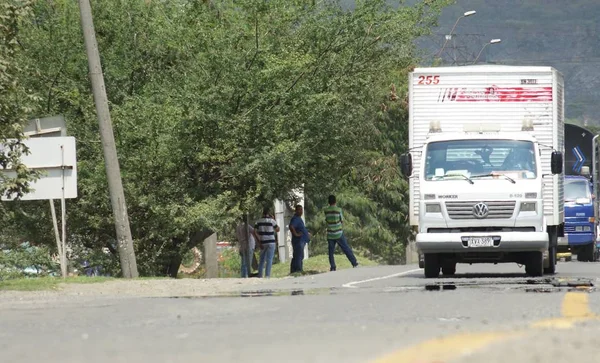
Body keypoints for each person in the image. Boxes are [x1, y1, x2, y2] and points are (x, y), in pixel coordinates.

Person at [324, 195, 358, 271]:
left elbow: (326, 220)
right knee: (346, 248)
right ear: (335, 201)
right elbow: (341, 220)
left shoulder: (326, 210)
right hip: (338, 233)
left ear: (328, 202)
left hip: (330, 234)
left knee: (330, 252)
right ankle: (354, 263)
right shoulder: (338, 210)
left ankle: (333, 267)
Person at [253, 208, 280, 278]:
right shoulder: (272, 221)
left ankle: (260, 275)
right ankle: (267, 275)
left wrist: (259, 241)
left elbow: (254, 232)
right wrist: (274, 219)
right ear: (269, 214)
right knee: (269, 259)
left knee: (261, 259)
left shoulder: (258, 221)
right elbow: (278, 229)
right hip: (271, 242)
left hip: (263, 242)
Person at [289, 204, 310, 274]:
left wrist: (306, 233)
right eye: (300, 210)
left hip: (301, 240)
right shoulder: (295, 218)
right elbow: (291, 227)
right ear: (296, 210)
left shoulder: (299, 218)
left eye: (302, 210)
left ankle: (294, 270)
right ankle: (298, 270)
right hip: (298, 241)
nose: (301, 211)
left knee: (298, 255)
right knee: (299, 255)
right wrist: (296, 234)